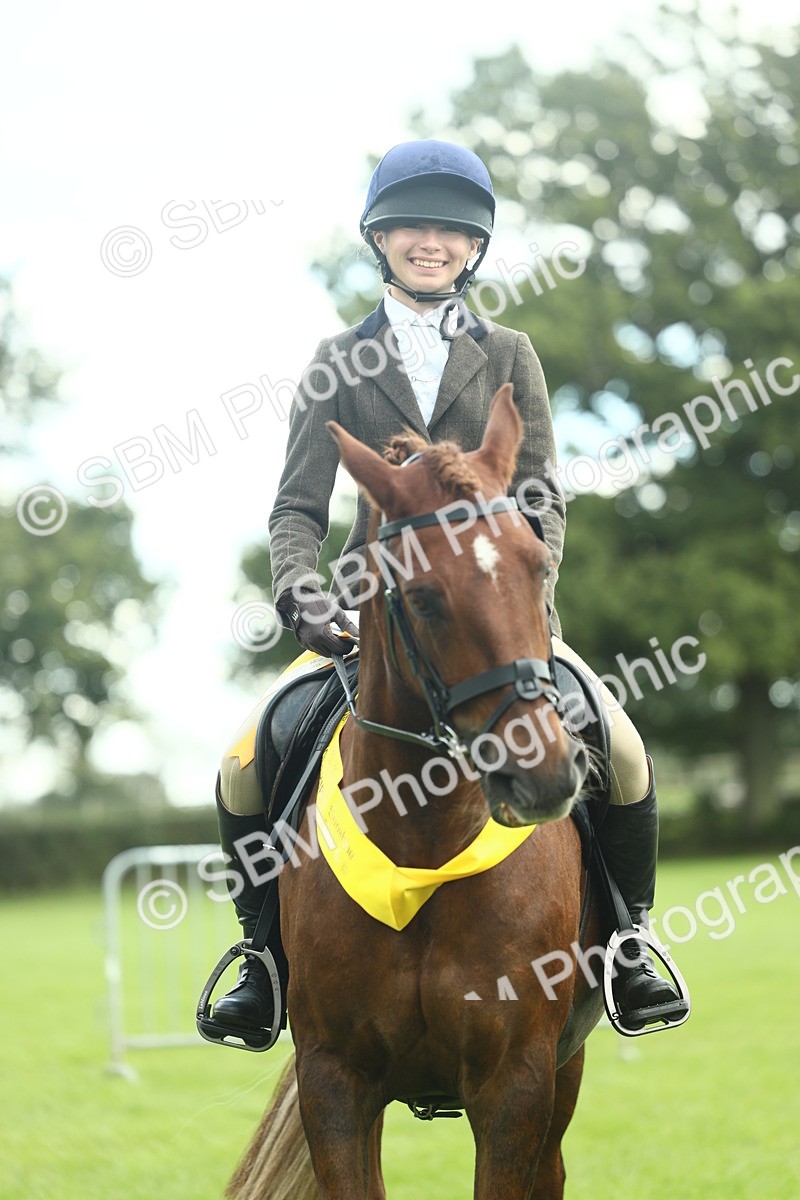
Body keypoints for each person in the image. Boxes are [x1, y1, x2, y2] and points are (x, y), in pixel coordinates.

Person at [211, 139, 686, 1036]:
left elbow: (541, 496)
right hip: (373, 627)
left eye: (450, 232)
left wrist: (525, 601)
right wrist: (301, 592)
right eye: (411, 228)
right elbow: (297, 507)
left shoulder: (510, 352)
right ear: (379, 239)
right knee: (245, 760)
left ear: (473, 248)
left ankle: (628, 945)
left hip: (499, 623)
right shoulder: (334, 359)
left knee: (622, 752)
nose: (430, 243)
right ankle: (261, 959)